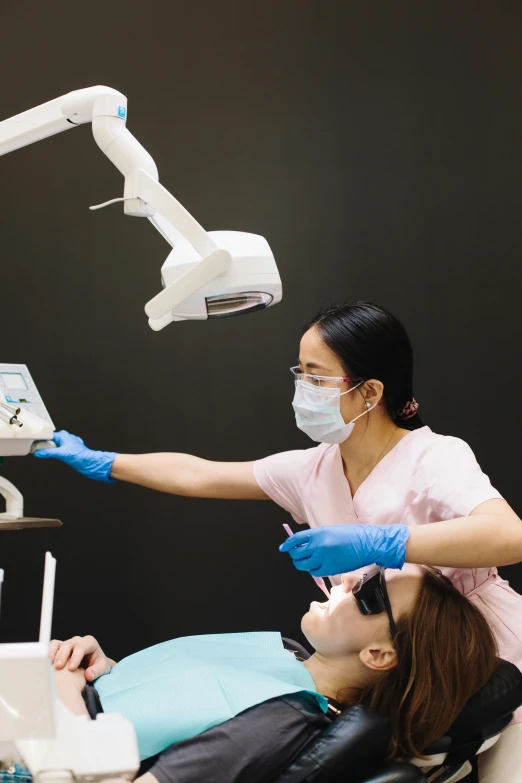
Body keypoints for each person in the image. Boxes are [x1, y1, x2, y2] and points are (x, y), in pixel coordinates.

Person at [35, 300, 522, 719]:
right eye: (300, 372)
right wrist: (103, 462)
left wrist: (386, 543)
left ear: (370, 392)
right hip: (390, 674)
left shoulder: (434, 456)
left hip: (483, 656)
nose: (303, 388)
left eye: (317, 376)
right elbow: (198, 473)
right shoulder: (313, 469)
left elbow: (509, 535)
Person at [51, 566, 498, 783]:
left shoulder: (283, 720)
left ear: (380, 654)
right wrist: (101, 670)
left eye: (369, 593)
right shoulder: (287, 654)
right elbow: (167, 706)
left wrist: (64, 689)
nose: (342, 583)